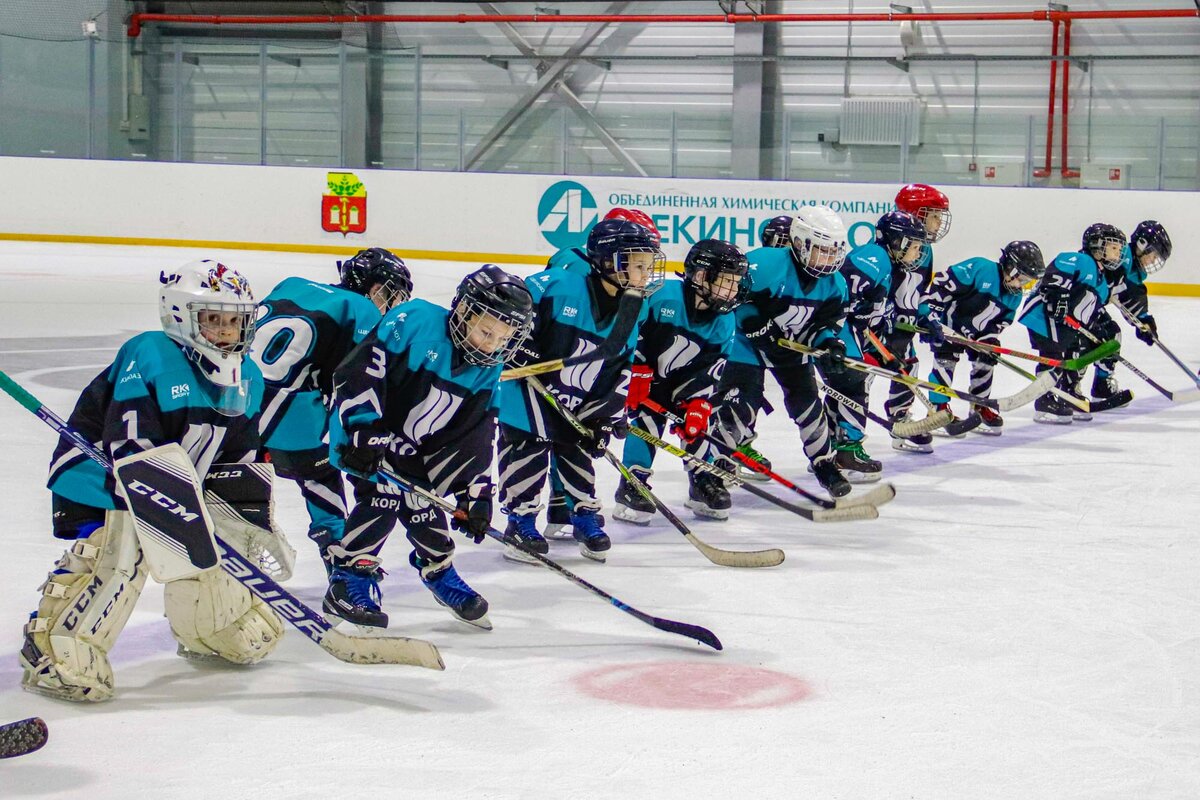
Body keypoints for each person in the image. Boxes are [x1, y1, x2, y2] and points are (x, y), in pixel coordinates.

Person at [21, 260, 285, 702]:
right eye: (214, 319)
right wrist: (173, 509)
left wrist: (245, 516)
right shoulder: (151, 353)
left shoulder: (249, 378)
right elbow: (130, 445)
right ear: (179, 316)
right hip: (101, 478)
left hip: (183, 484)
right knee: (124, 546)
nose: (226, 332)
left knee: (224, 536)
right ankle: (56, 647)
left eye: (235, 321)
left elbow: (240, 457)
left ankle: (211, 626)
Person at [325, 265, 534, 630]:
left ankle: (438, 569)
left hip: (417, 453)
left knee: (424, 509)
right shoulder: (416, 319)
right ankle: (348, 577)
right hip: (367, 438)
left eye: (503, 340)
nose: (492, 345)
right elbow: (360, 371)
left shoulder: (487, 367)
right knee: (381, 500)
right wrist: (362, 428)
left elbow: (477, 431)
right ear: (465, 312)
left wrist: (476, 493)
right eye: (487, 332)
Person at [497, 219, 661, 562]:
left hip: (579, 397)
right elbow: (511, 306)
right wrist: (518, 342)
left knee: (578, 450)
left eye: (649, 265)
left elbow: (620, 365)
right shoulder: (559, 285)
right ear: (607, 261)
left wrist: (608, 413)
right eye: (638, 264)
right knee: (527, 452)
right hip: (529, 392)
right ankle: (521, 520)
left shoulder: (634, 306)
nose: (646, 273)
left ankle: (582, 513)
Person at [250, 248, 412, 568]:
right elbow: (352, 386)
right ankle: (334, 546)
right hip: (284, 421)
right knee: (321, 470)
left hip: (233, 405)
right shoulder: (363, 309)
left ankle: (238, 519)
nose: (392, 307)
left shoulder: (292, 284)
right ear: (376, 288)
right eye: (392, 295)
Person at [723, 205, 854, 498]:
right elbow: (731, 296)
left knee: (808, 402)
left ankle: (824, 463)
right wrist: (752, 321)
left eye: (834, 251)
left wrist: (828, 345)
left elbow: (825, 325)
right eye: (822, 250)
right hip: (744, 346)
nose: (830, 259)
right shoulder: (765, 264)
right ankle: (716, 469)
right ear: (800, 243)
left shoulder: (835, 284)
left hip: (790, 350)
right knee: (741, 403)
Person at [614, 239, 747, 524]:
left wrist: (699, 403)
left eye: (736, 283)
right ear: (700, 277)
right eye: (727, 282)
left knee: (701, 422)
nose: (733, 290)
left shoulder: (724, 321)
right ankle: (632, 481)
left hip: (681, 385)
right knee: (646, 421)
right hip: (643, 380)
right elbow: (625, 329)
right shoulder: (662, 296)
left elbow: (712, 369)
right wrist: (634, 369)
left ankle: (701, 480)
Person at [830, 210, 925, 473]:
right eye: (915, 246)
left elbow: (868, 314)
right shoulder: (873, 257)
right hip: (839, 328)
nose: (918, 254)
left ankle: (831, 449)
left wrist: (881, 349)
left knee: (847, 385)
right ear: (898, 242)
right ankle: (847, 452)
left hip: (852, 330)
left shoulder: (886, 262)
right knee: (854, 383)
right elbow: (842, 300)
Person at [922, 241, 1046, 435]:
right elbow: (942, 283)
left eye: (1026, 282)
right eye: (1021, 279)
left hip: (974, 334)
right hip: (948, 326)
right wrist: (933, 315)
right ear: (1011, 267)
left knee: (987, 359)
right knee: (945, 362)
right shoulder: (981, 268)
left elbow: (999, 323)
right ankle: (938, 411)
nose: (1021, 285)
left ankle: (979, 406)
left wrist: (989, 339)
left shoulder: (1013, 296)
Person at [707, 217, 792, 485]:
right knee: (739, 395)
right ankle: (721, 454)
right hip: (737, 345)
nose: (786, 247)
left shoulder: (793, 275)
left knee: (751, 396)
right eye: (781, 240)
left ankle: (739, 443)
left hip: (761, 349)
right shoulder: (757, 268)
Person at [1019, 224, 1124, 424]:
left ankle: (1069, 393)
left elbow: (1089, 310)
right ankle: (1044, 401)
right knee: (1053, 355)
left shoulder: (1101, 281)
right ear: (1097, 245)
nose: (1118, 253)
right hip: (1044, 315)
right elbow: (1057, 272)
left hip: (1065, 324)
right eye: (1114, 247)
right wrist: (1056, 295)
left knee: (1075, 351)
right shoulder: (1082, 260)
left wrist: (1098, 329)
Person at [881, 184, 953, 435]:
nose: (937, 223)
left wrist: (926, 316)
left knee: (908, 365)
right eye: (933, 216)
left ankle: (902, 423)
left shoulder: (925, 250)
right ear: (915, 213)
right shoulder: (887, 247)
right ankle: (844, 438)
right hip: (876, 329)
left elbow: (921, 290)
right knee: (859, 379)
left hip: (903, 328)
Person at [1087, 220, 1173, 404]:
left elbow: (1132, 294)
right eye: (1153, 255)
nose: (1153, 260)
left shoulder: (1132, 267)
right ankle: (1073, 387)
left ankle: (1101, 386)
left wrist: (1144, 321)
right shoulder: (1122, 255)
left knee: (1110, 334)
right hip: (1077, 306)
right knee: (1101, 337)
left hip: (1090, 306)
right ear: (1142, 245)